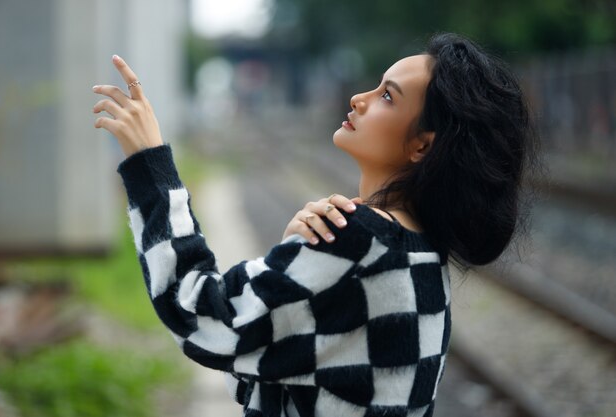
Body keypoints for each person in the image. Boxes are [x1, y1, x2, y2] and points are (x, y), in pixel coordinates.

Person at [92, 33, 537, 417]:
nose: (358, 99)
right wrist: (293, 252)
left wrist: (149, 165)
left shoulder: (357, 242)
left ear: (421, 145)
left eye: (387, 96)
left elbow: (201, 317)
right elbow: (260, 364)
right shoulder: (422, 251)